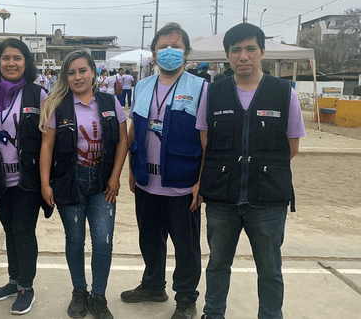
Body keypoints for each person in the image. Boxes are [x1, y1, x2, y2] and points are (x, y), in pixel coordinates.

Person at [196, 23, 305, 319]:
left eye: (250, 49)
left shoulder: (284, 93)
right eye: (236, 50)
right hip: (222, 199)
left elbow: (290, 147)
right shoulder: (214, 92)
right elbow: (207, 142)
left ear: (262, 52)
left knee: (270, 269)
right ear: (228, 56)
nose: (243, 56)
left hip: (267, 200)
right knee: (217, 264)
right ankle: (213, 313)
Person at [121, 23, 206, 319]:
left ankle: (185, 298)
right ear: (154, 52)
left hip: (182, 184)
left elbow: (207, 141)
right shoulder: (143, 86)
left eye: (176, 46)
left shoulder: (200, 88)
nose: (169, 52)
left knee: (186, 246)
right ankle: (153, 285)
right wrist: (132, 170)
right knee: (149, 239)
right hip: (147, 181)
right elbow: (135, 130)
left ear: (186, 52)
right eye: (163, 47)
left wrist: (200, 182)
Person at [39, 50, 128, 319]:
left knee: (103, 241)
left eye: (83, 71)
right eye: (71, 72)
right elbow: (47, 145)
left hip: (103, 183)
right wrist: (45, 184)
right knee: (75, 241)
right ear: (66, 76)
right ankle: (79, 291)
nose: (78, 77)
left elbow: (123, 141)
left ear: (93, 73)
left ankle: (98, 296)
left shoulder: (110, 102)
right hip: (70, 182)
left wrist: (115, 177)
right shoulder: (57, 105)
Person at [0, 38, 48, 315]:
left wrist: (47, 181)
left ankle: (26, 287)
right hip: (0, 180)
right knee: (10, 231)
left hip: (27, 179)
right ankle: (13, 280)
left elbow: (48, 140)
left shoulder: (38, 94)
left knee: (23, 231)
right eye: (6, 58)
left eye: (17, 58)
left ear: (26, 63)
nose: (11, 63)